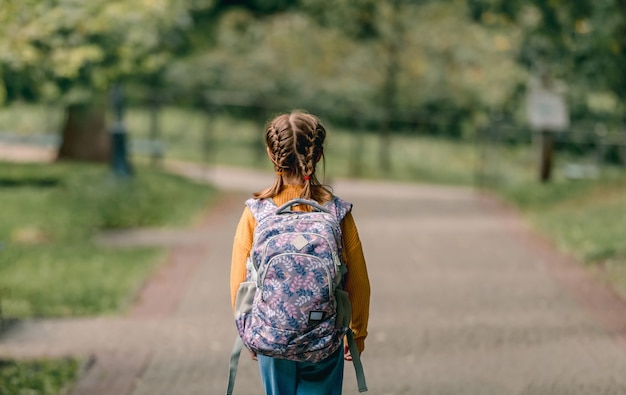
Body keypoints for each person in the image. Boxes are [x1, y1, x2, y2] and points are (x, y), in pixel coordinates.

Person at [230, 110, 371, 395]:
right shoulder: (336, 212)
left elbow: (240, 281)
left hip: (272, 336)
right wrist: (356, 334)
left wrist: (249, 331)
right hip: (324, 337)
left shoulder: (256, 212)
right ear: (318, 156)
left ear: (272, 155)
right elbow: (358, 281)